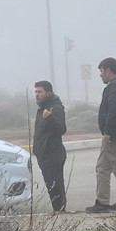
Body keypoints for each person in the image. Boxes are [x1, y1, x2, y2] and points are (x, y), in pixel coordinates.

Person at [87, 57, 116, 213]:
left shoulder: (114, 88)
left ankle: (102, 202)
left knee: (102, 168)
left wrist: (107, 132)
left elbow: (113, 112)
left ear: (108, 70)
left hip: (115, 136)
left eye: (101, 71)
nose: (100, 75)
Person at [33, 80, 68, 213]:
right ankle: (58, 210)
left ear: (48, 93)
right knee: (51, 186)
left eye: (40, 92)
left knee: (55, 186)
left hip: (53, 153)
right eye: (35, 92)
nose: (37, 94)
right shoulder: (42, 107)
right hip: (44, 154)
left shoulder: (54, 108)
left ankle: (60, 212)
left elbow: (62, 128)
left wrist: (50, 118)